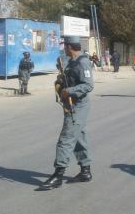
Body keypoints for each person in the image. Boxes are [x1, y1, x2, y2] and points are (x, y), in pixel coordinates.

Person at [40, 36, 95, 190]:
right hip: (71, 105)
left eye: (65, 46)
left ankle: (58, 175)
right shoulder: (71, 61)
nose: (64, 48)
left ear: (70, 46)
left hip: (78, 106)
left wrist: (68, 91)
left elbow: (88, 85)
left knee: (65, 139)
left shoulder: (83, 62)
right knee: (79, 137)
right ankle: (85, 171)